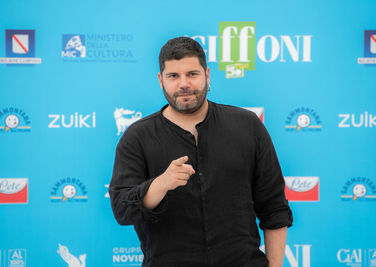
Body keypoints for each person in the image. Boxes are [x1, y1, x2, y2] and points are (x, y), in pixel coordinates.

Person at [109, 36, 293, 267]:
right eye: (173, 76)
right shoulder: (137, 137)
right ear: (160, 80)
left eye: (192, 74)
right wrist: (161, 183)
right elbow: (121, 209)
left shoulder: (247, 125)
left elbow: (274, 207)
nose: (183, 84)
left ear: (207, 75)